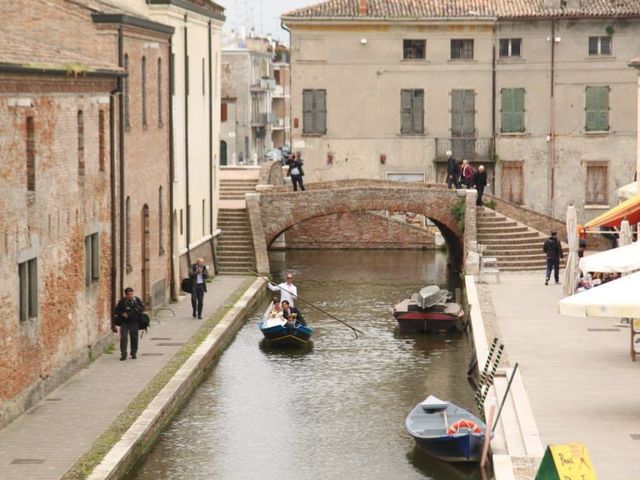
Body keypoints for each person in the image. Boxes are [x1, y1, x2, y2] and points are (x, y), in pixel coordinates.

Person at [114, 287, 145, 361]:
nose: (131, 296)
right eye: (129, 294)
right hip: (125, 322)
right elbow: (116, 311)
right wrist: (122, 313)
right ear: (126, 295)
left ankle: (133, 353)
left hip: (134, 322)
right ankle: (123, 354)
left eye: (132, 294)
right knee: (124, 338)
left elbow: (142, 309)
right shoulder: (122, 301)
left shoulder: (136, 300)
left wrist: (137, 306)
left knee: (134, 338)